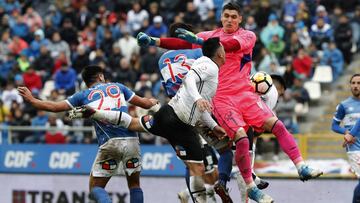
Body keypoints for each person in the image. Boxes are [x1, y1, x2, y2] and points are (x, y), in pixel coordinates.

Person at [137, 3, 322, 202]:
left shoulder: (247, 36)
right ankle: (249, 185)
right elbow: (181, 44)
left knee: (276, 125)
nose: (230, 20)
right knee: (241, 140)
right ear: (221, 17)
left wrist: (198, 40)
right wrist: (153, 41)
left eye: (234, 16)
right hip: (222, 99)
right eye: (226, 16)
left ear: (240, 19)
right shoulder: (211, 35)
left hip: (245, 94)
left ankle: (300, 166)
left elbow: (230, 45)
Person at [70, 38, 227, 203]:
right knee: (197, 168)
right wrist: (197, 99)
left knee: (133, 123)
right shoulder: (209, 66)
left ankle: (95, 113)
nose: (225, 50)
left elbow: (199, 109)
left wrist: (213, 125)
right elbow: (188, 80)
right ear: (219, 53)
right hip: (180, 124)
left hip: (167, 116)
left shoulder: (208, 70)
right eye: (223, 47)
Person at [17, 65, 159, 203]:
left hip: (110, 143)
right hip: (132, 141)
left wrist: (32, 100)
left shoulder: (82, 95)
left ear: (85, 82)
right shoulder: (118, 87)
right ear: (101, 76)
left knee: (96, 188)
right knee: (134, 185)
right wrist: (153, 101)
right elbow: (145, 104)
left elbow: (55, 107)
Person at [158, 23, 219, 203]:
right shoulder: (197, 55)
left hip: (174, 112)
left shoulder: (162, 59)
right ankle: (201, 197)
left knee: (194, 161)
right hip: (195, 113)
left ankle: (190, 194)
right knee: (209, 166)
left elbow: (167, 86)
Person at [331, 73, 360, 203]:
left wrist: (350, 134)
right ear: (350, 85)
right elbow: (334, 126)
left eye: (359, 83)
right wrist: (346, 132)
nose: (356, 86)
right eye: (353, 83)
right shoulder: (344, 105)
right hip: (354, 148)